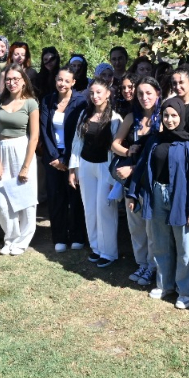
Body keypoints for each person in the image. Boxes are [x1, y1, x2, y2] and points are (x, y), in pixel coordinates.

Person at [126, 98, 189, 308]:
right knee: (160, 243)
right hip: (157, 195)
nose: (169, 120)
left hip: (181, 197)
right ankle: (164, 285)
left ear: (181, 117)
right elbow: (141, 168)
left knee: (184, 246)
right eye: (166, 115)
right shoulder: (154, 141)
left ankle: (186, 291)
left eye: (174, 116)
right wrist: (133, 194)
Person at [112, 77, 162, 286]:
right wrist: (127, 150)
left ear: (158, 94)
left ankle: (153, 266)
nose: (144, 97)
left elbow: (159, 154)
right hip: (131, 182)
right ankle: (141, 263)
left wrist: (132, 167)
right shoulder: (132, 117)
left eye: (149, 93)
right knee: (136, 226)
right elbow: (114, 144)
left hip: (150, 181)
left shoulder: (162, 120)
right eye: (140, 93)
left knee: (152, 228)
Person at [69, 77, 123, 267]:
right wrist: (73, 169)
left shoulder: (116, 119)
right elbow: (77, 143)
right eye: (92, 93)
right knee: (90, 208)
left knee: (104, 209)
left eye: (99, 92)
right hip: (85, 166)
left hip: (105, 168)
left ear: (108, 93)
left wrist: (114, 176)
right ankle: (96, 247)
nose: (95, 96)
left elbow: (117, 148)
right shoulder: (85, 114)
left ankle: (108, 252)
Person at [0, 64, 41, 255]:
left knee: (25, 199)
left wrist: (26, 166)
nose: (12, 83)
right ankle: (10, 238)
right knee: (1, 200)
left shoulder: (31, 103)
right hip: (1, 150)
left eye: (16, 79)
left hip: (22, 150)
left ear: (23, 81)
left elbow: (34, 136)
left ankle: (22, 240)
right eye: (8, 79)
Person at [41, 64, 88, 252]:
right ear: (55, 80)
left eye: (67, 80)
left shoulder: (81, 102)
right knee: (56, 198)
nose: (62, 83)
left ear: (73, 82)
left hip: (73, 157)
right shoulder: (47, 101)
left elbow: (79, 134)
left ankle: (77, 235)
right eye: (59, 79)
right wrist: (55, 157)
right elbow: (45, 130)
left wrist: (67, 159)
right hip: (52, 158)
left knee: (75, 197)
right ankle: (59, 236)